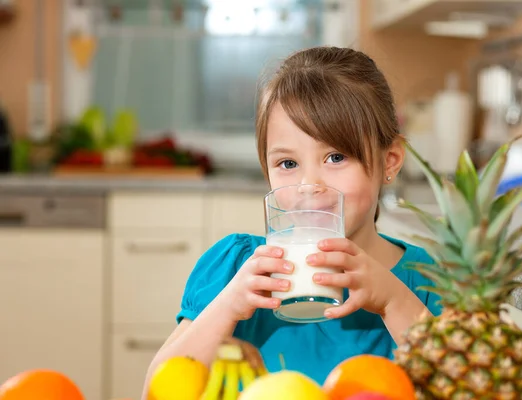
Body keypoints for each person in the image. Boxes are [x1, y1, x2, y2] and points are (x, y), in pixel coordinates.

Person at [142, 46, 442, 397]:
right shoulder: (235, 268)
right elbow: (154, 392)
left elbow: (456, 389)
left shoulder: (426, 281)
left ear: (390, 161)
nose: (309, 186)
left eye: (335, 156)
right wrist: (228, 306)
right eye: (288, 164)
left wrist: (394, 301)